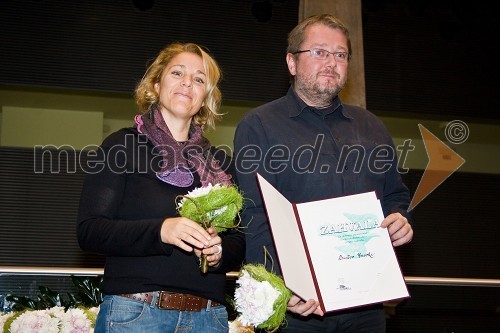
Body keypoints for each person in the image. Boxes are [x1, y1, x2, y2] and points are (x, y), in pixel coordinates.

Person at [234, 14, 413, 332]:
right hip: (298, 307)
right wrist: (276, 287)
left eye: (340, 54)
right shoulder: (259, 125)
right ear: (291, 62)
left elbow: (395, 195)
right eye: (319, 52)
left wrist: (401, 218)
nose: (331, 62)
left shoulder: (371, 126)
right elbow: (254, 214)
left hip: (366, 305)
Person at [77, 42, 245, 332]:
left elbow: (239, 242)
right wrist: (162, 231)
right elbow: (90, 230)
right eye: (177, 73)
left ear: (205, 97)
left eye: (199, 79)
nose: (187, 83)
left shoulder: (220, 164)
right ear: (155, 84)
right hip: (136, 313)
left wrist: (219, 252)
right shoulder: (122, 146)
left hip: (209, 317)